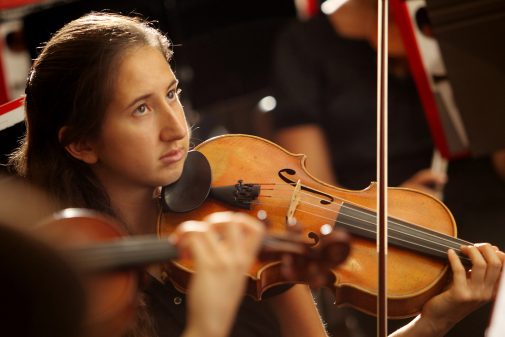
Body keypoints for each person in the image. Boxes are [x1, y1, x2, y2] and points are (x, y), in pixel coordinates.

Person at [6, 11, 502, 337]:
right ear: (81, 143)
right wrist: (209, 313)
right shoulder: (67, 281)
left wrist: (432, 322)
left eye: (172, 94)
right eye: (140, 109)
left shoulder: (245, 217)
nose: (175, 127)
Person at [269, 0, 505, 336]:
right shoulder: (304, 45)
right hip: (378, 234)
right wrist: (386, 206)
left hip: (485, 210)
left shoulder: (461, 20)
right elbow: (312, 199)